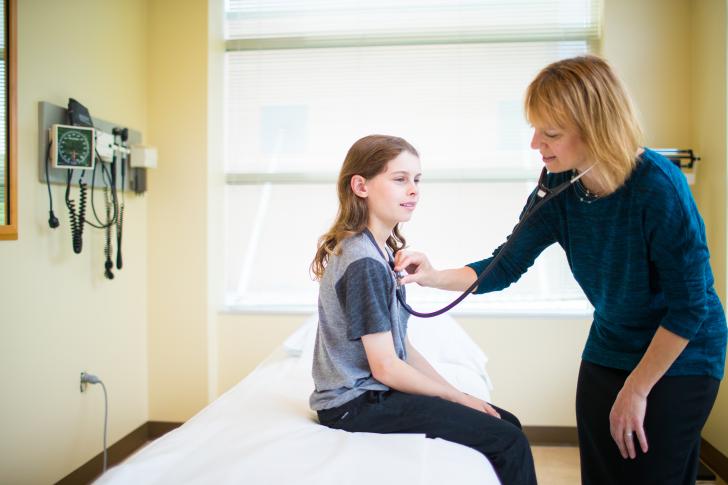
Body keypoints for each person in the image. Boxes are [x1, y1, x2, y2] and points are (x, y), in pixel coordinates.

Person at [394, 55, 727, 485]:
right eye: (535, 129)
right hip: (611, 345)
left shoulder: (658, 187)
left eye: (550, 133)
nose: (536, 144)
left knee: (651, 474)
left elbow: (689, 307)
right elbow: (505, 265)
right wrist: (433, 275)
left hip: (681, 354)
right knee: (603, 472)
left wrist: (637, 389)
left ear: (596, 130)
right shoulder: (560, 186)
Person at [309, 134, 537, 485]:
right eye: (400, 180)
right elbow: (385, 366)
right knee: (509, 440)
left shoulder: (381, 253)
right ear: (361, 186)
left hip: (371, 394)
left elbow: (401, 348)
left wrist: (460, 396)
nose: (413, 190)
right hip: (352, 405)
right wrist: (455, 396)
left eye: (417, 180)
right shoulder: (363, 262)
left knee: (506, 423)